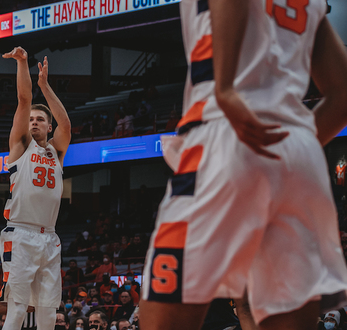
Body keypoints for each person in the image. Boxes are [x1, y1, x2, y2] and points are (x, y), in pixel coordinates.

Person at [140, 0, 347, 329]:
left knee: (162, 320)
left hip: (225, 133)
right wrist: (284, 144)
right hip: (297, 155)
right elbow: (343, 94)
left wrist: (225, 88)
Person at [0, 46, 71, 330]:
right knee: (17, 308)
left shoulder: (57, 151)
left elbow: (65, 123)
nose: (34, 122)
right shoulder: (19, 147)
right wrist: (23, 63)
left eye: (40, 119)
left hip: (50, 237)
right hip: (21, 233)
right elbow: (23, 99)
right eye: (31, 119)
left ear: (48, 127)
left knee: (48, 311)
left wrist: (45, 85)